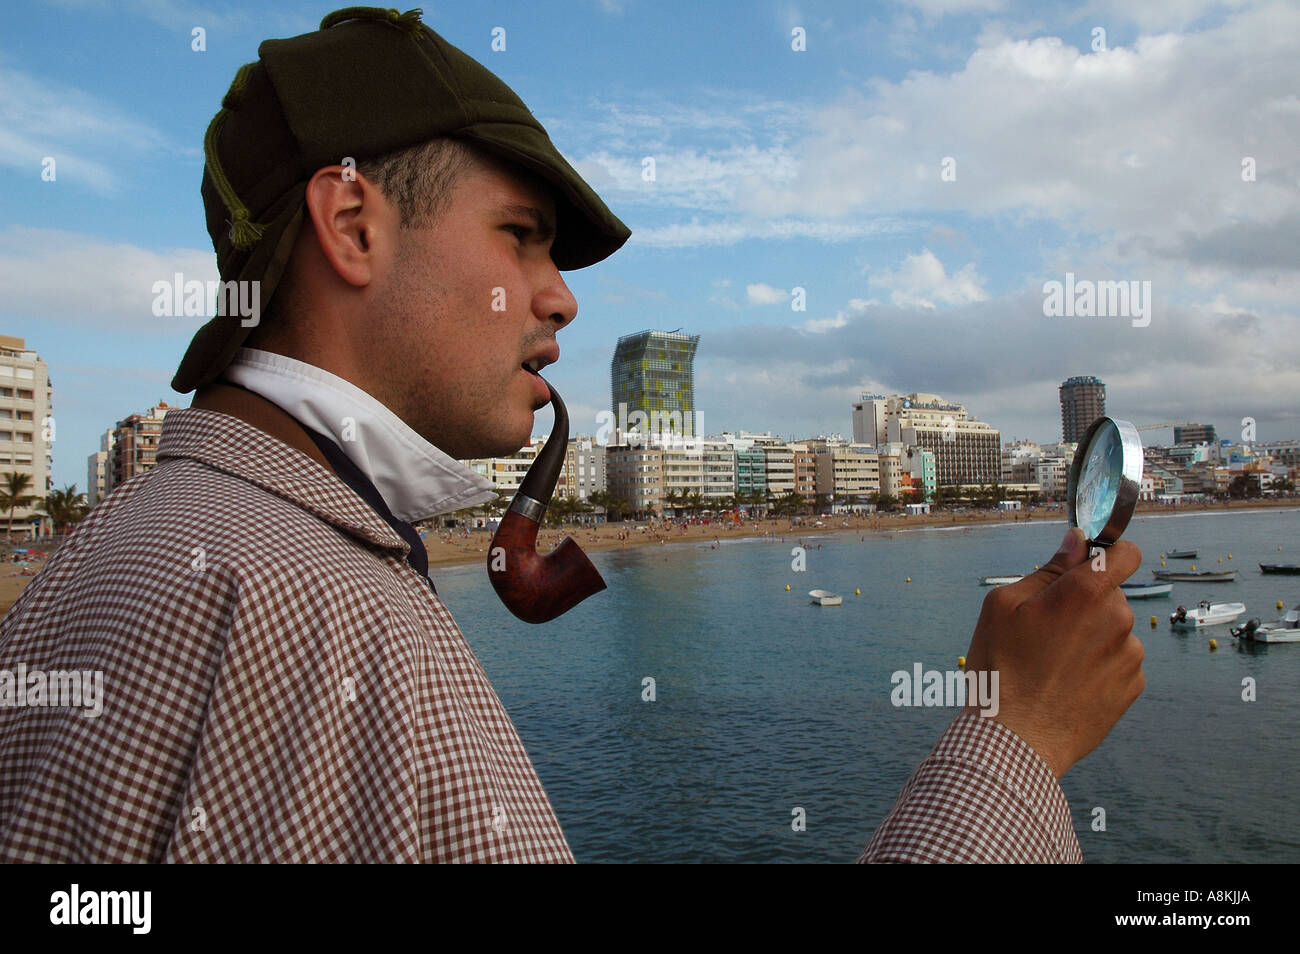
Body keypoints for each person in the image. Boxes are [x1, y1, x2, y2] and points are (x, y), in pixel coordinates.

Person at [0, 8, 1143, 863]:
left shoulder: (128, 541)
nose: (561, 298)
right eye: (522, 236)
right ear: (352, 223)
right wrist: (1016, 741)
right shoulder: (320, 617)